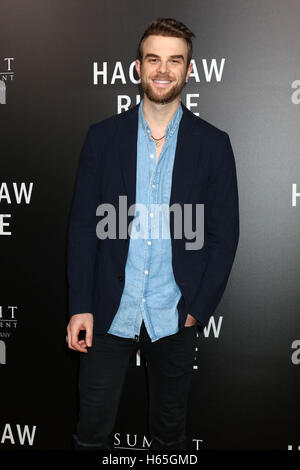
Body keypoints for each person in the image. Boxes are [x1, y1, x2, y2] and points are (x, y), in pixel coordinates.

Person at [66, 17, 239, 451]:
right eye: (154, 59)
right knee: (91, 434)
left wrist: (197, 309)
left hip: (175, 312)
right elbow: (84, 227)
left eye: (174, 60)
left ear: (189, 71)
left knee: (168, 438)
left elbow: (224, 235)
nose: (163, 70)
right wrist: (81, 306)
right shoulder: (102, 138)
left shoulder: (214, 144)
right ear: (138, 67)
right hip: (108, 310)